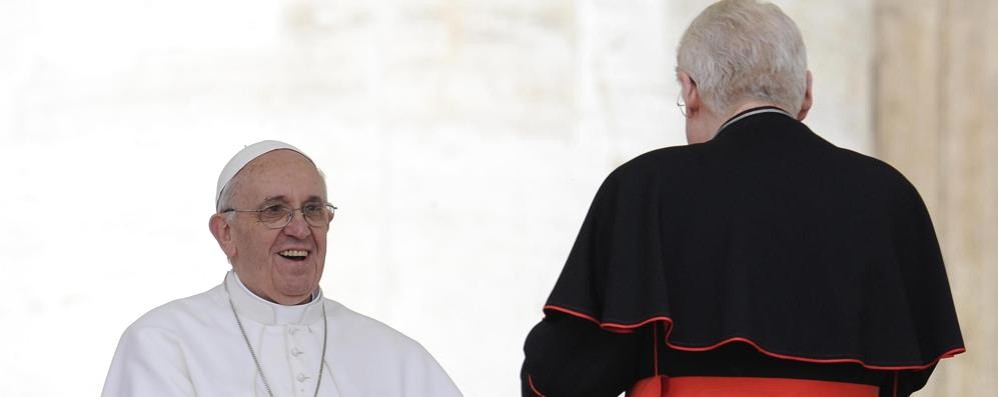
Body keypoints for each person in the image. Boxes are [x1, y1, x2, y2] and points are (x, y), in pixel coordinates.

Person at [520, 1, 964, 396]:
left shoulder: (645, 186)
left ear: (690, 90)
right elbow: (906, 368)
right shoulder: (888, 195)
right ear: (806, 92)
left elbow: (563, 376)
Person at [103, 140, 462, 396]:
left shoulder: (398, 357)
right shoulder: (163, 343)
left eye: (313, 209)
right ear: (225, 233)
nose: (300, 229)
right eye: (274, 210)